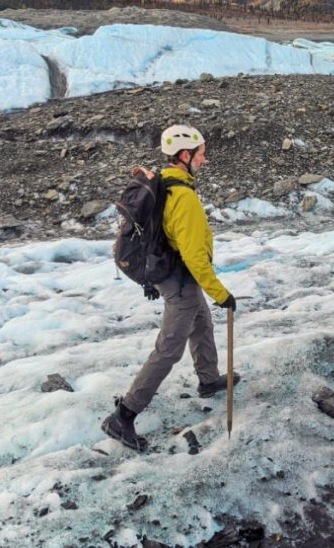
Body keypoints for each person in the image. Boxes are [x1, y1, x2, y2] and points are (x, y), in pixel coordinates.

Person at [102, 124, 239, 451]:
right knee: (169, 347)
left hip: (174, 274)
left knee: (201, 320)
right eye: (201, 155)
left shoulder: (166, 184)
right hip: (178, 279)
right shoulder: (184, 197)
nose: (205, 161)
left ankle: (208, 379)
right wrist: (221, 294)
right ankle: (124, 414)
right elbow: (194, 255)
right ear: (185, 156)